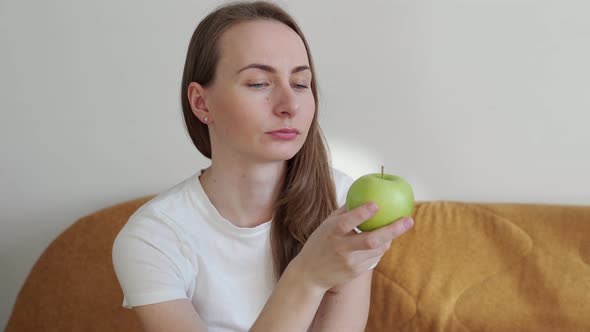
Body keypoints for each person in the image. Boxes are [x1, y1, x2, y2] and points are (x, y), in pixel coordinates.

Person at [112, 1, 414, 331]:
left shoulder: (345, 203)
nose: (290, 104)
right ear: (201, 103)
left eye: (301, 84)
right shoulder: (154, 238)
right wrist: (307, 275)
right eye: (258, 83)